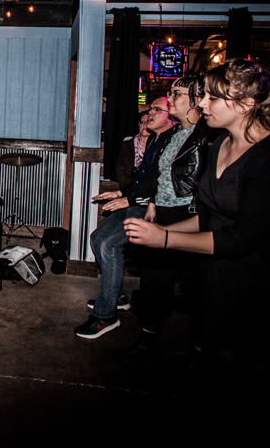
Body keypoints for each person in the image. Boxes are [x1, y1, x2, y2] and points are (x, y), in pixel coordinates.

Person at [123, 59, 270, 411]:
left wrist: (164, 240)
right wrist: (162, 229)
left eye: (211, 97)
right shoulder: (217, 144)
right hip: (222, 277)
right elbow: (206, 217)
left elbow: (240, 237)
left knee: (260, 383)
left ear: (246, 104)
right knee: (218, 375)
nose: (202, 104)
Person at [115, 76, 215, 359]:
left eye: (178, 93)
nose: (171, 97)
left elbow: (205, 185)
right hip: (165, 212)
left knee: (196, 286)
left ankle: (201, 350)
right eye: (170, 92)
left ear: (197, 100)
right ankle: (147, 341)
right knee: (153, 281)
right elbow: (158, 174)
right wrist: (153, 204)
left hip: (190, 215)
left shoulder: (206, 136)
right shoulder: (171, 135)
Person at [75, 96, 174, 339]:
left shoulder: (170, 141)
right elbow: (139, 177)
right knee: (98, 237)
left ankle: (104, 317)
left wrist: (129, 199)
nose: (149, 114)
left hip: (149, 208)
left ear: (171, 117)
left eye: (156, 110)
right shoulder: (154, 140)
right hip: (134, 200)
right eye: (149, 110)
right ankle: (117, 296)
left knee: (110, 245)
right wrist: (122, 193)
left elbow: (158, 181)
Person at [114, 109, 151, 196]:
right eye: (142, 123)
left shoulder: (156, 144)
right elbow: (121, 170)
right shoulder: (128, 144)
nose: (144, 126)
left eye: (147, 123)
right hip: (130, 189)